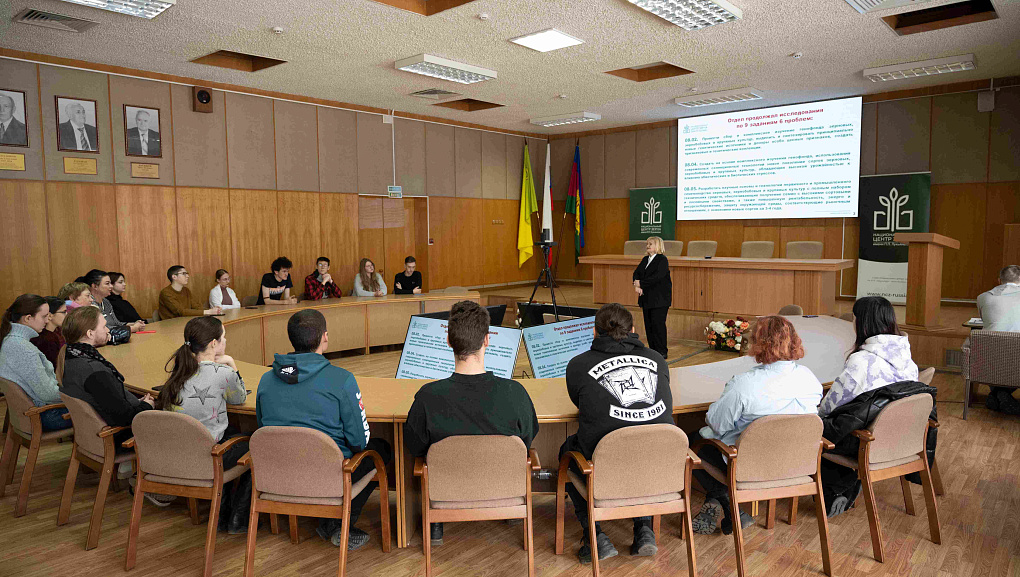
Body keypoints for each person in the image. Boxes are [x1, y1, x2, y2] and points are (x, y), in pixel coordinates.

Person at [404, 301, 539, 547]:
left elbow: (415, 447)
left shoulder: (427, 397)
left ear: (448, 341)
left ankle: (436, 522)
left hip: (446, 491)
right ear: (487, 340)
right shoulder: (516, 393)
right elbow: (527, 441)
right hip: (502, 487)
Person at [256, 309, 390, 550]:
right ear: (325, 337)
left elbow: (262, 429)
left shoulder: (266, 380)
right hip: (330, 478)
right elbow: (359, 442)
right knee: (380, 449)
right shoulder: (342, 379)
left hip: (280, 474)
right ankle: (337, 523)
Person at [560, 303, 674, 563]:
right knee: (640, 444)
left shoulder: (578, 365)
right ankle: (644, 529)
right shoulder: (657, 359)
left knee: (568, 451)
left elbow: (582, 404)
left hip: (605, 469)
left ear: (594, 332)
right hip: (658, 467)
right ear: (633, 329)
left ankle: (595, 537)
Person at [689, 315, 823, 534]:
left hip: (750, 465)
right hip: (796, 463)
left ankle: (726, 504)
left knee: (693, 440)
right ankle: (721, 505)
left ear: (759, 344)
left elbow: (717, 423)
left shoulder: (745, 385)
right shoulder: (810, 379)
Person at [817, 296, 919, 517]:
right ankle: (845, 483)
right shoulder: (907, 357)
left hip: (867, 442)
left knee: (817, 430)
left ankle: (837, 488)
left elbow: (829, 408)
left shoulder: (861, 362)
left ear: (861, 323)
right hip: (900, 437)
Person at [155, 316, 250, 531]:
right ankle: (238, 520)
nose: (226, 341)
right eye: (224, 337)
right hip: (209, 456)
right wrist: (232, 364)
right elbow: (239, 398)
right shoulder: (223, 374)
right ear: (214, 344)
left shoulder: (178, 371)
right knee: (254, 445)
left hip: (179, 453)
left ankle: (220, 512)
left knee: (230, 435)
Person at [61, 306, 153, 454]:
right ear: (90, 333)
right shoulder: (94, 372)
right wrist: (146, 406)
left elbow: (111, 400)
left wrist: (136, 403)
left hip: (93, 434)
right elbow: (125, 418)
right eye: (104, 327)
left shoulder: (70, 357)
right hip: (118, 437)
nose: (108, 330)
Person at [0, 294, 69, 431]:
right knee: (101, 410)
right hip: (45, 415)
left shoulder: (11, 340)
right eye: (44, 316)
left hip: (32, 413)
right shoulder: (23, 349)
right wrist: (77, 394)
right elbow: (48, 394)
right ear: (27, 318)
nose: (47, 320)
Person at [975, 265, 1020, 413]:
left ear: (999, 280)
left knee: (995, 350)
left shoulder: (983, 297)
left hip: (988, 360)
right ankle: (1003, 394)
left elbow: (985, 320)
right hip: (1016, 359)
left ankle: (997, 393)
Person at [632, 236, 672, 359]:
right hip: (647, 298)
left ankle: (661, 351)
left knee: (658, 325)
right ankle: (653, 350)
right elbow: (636, 273)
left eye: (651, 244)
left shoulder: (662, 260)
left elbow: (657, 277)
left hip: (659, 299)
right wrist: (636, 283)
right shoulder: (645, 259)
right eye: (647, 244)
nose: (648, 246)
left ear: (658, 246)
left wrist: (641, 284)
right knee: (649, 325)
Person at [79, 269, 144, 336]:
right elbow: (103, 329)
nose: (111, 286)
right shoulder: (89, 304)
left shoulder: (106, 302)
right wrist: (132, 328)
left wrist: (133, 324)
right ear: (95, 286)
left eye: (110, 283)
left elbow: (116, 323)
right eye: (107, 283)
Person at [30, 296, 66, 367]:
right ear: (50, 316)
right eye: (63, 312)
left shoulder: (58, 332)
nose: (67, 315)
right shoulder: (46, 340)